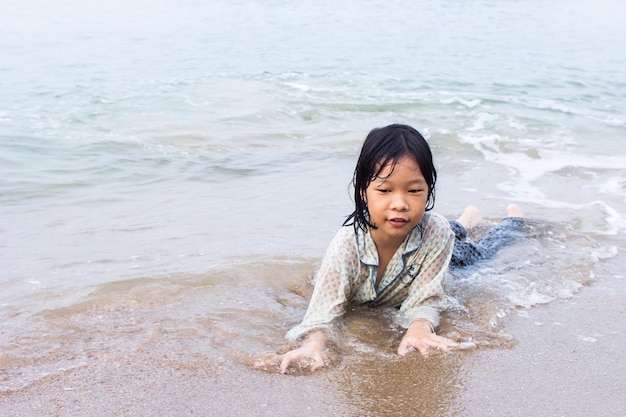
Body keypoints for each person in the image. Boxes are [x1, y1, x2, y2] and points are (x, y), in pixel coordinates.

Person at [259, 124, 526, 374]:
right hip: (426, 234)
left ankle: (513, 219)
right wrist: (313, 345)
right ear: (364, 191)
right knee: (442, 227)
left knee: (483, 251)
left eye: (413, 190)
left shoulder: (436, 231)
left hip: (444, 255)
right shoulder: (347, 246)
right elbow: (323, 311)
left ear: (428, 190)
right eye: (385, 190)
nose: (399, 203)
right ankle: (468, 218)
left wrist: (419, 329)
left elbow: (426, 298)